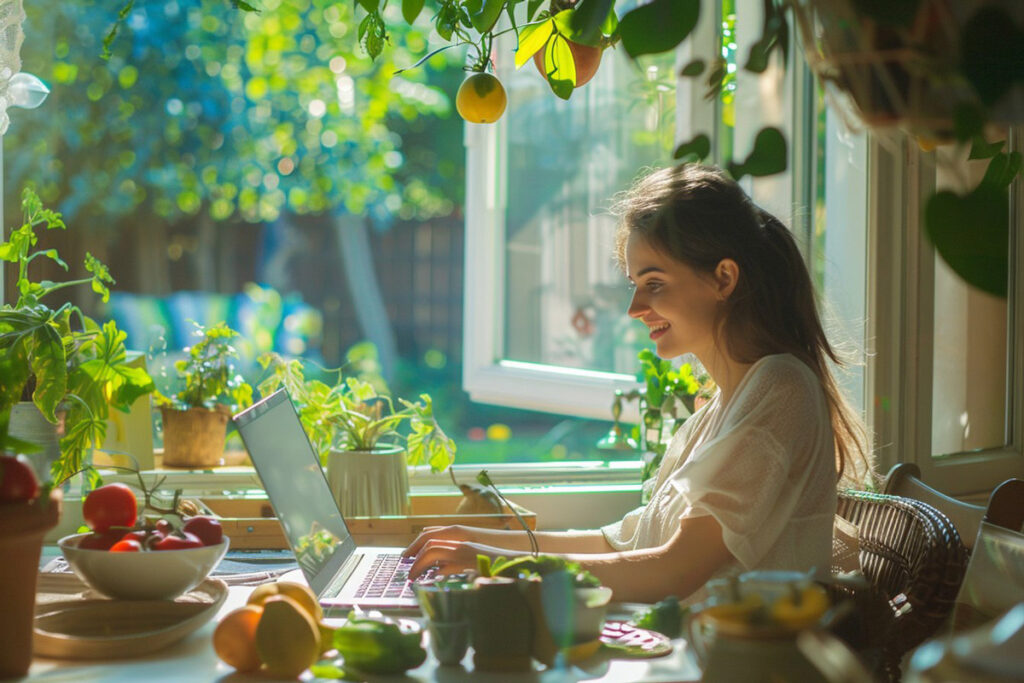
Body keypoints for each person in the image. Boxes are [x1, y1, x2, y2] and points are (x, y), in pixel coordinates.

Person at [406, 164, 874, 604]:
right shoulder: (715, 412)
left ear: (724, 278)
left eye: (653, 283)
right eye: (634, 283)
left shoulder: (780, 387)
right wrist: (473, 540)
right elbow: (627, 540)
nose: (634, 308)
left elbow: (673, 570)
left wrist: (500, 564)